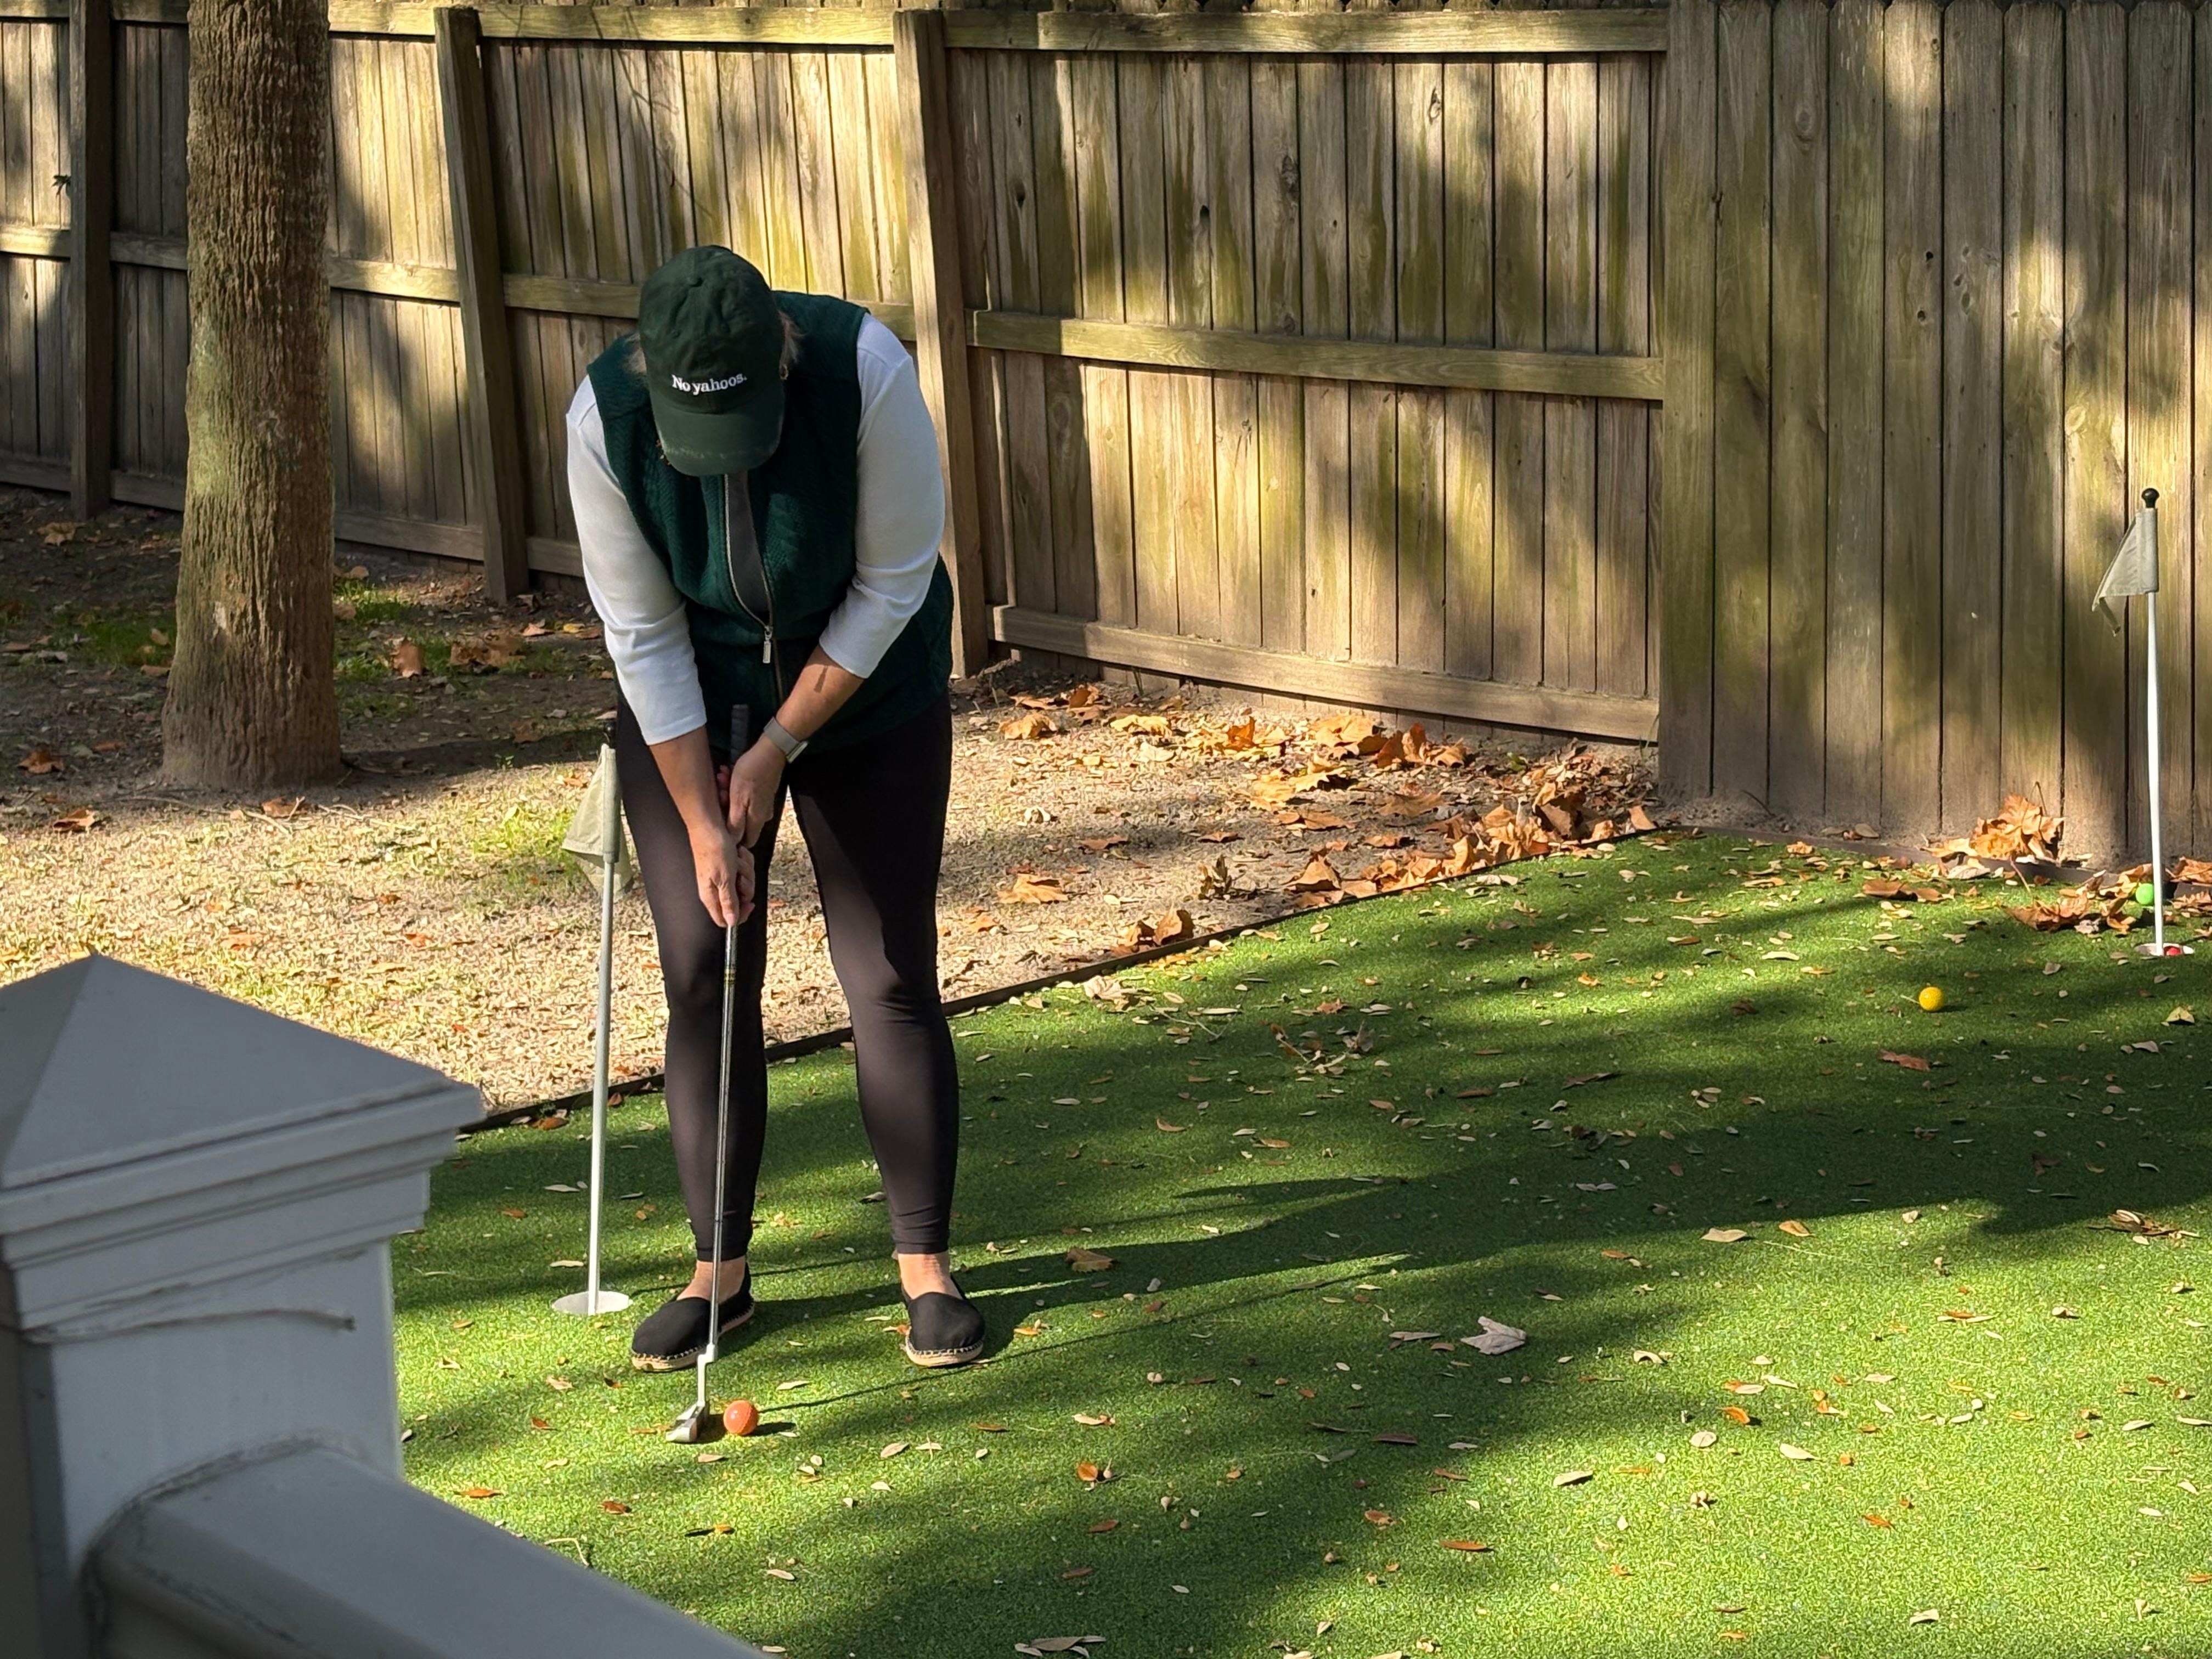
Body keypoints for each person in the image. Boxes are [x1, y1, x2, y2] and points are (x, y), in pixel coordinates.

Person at [563, 245, 983, 1372]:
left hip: (865, 684)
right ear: (650, 375)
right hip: (693, 691)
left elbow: (896, 581)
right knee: (705, 964)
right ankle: (719, 1274)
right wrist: (707, 816)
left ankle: (926, 1270)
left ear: (782, 360)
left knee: (887, 969)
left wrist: (782, 745)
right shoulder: (602, 418)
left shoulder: (864, 369)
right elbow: (643, 633)